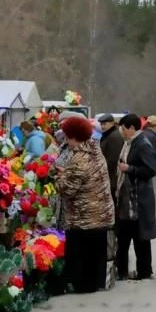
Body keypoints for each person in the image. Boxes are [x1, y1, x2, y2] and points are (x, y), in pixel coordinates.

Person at [55, 117, 115, 293]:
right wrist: (68, 173)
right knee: (96, 251)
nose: (66, 141)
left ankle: (82, 285)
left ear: (74, 136)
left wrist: (59, 178)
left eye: (67, 137)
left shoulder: (79, 159)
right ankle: (95, 282)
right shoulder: (95, 151)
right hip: (101, 212)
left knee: (82, 252)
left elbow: (67, 190)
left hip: (84, 215)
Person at [116, 114, 156, 280]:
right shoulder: (131, 142)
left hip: (138, 198)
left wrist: (130, 169)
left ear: (132, 128)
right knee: (133, 236)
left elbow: (151, 169)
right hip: (130, 197)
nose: (122, 132)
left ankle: (142, 271)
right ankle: (135, 271)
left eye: (124, 129)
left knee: (139, 237)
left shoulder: (142, 144)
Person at [98, 114, 124, 203]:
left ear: (112, 123)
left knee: (113, 201)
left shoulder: (114, 136)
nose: (102, 126)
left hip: (112, 176)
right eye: (101, 124)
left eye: (105, 124)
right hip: (109, 175)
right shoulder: (108, 135)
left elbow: (113, 159)